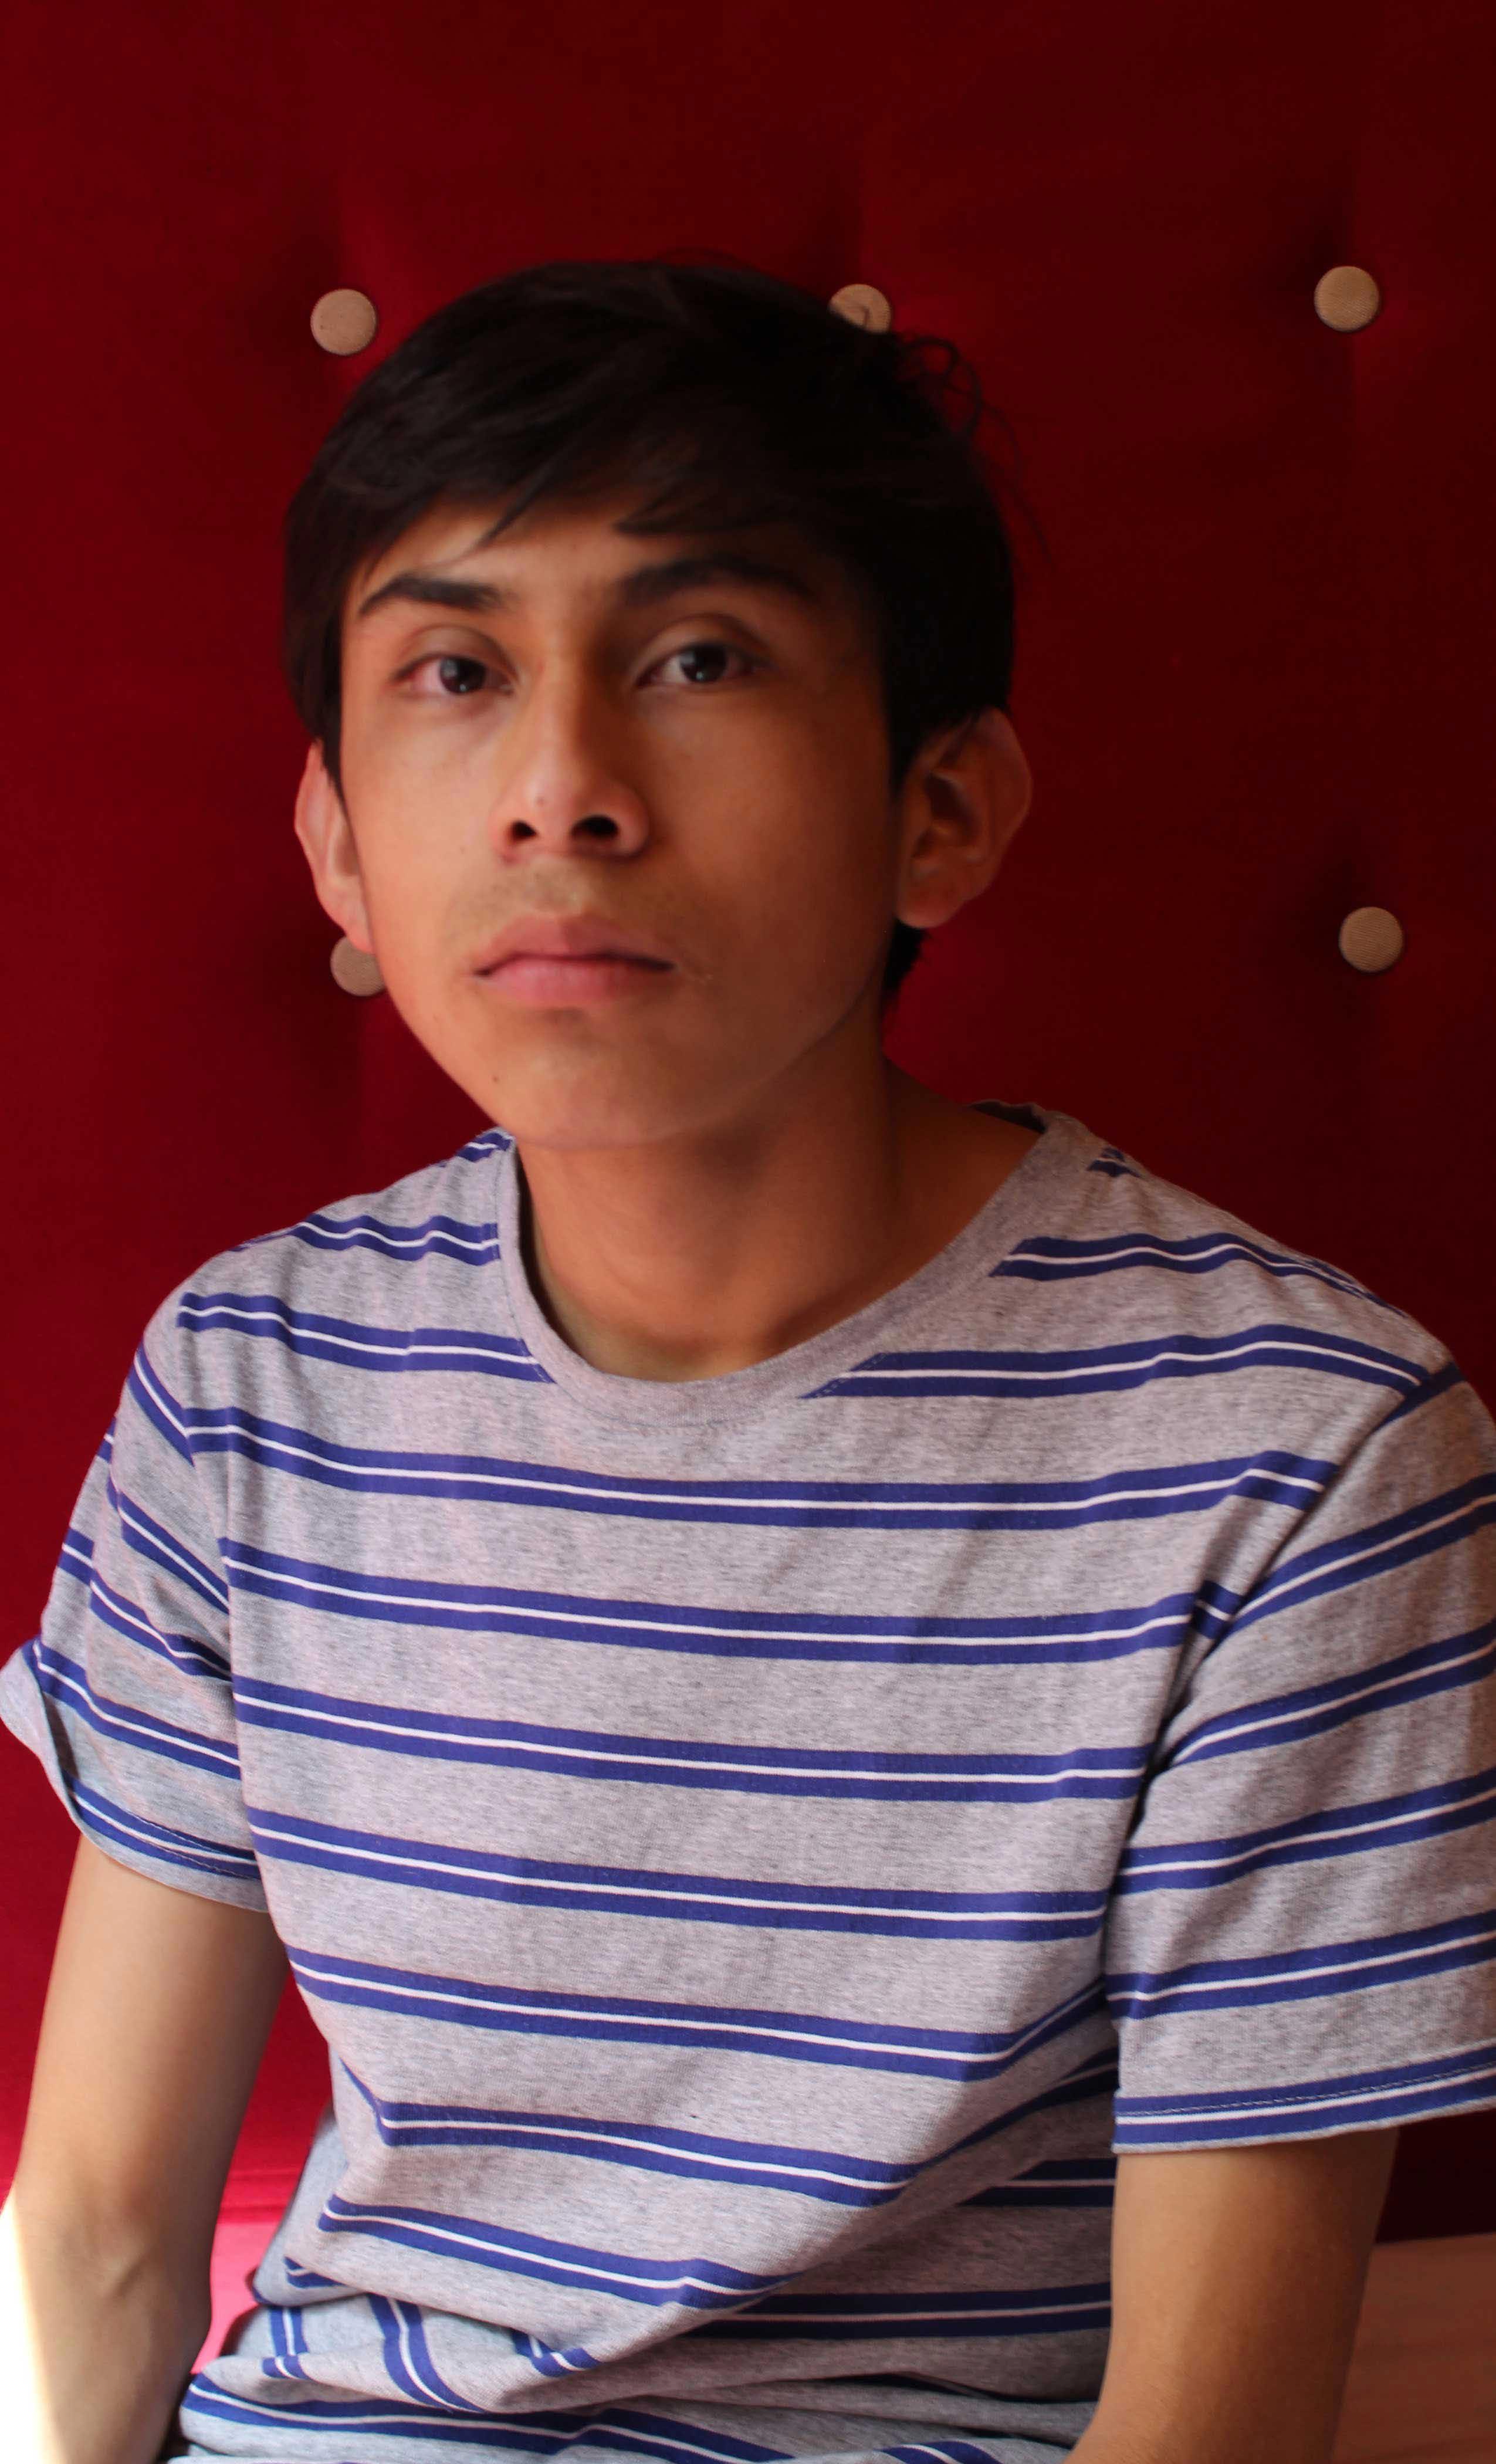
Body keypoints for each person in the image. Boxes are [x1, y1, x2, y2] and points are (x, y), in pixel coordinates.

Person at [2, 254, 1492, 2464]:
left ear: (942, 812)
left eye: (697, 657)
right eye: (455, 672)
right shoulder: (251, 1385)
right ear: (336, 842)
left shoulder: (1298, 1459)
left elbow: (1210, 2425)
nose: (561, 791)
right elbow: (103, 2239)